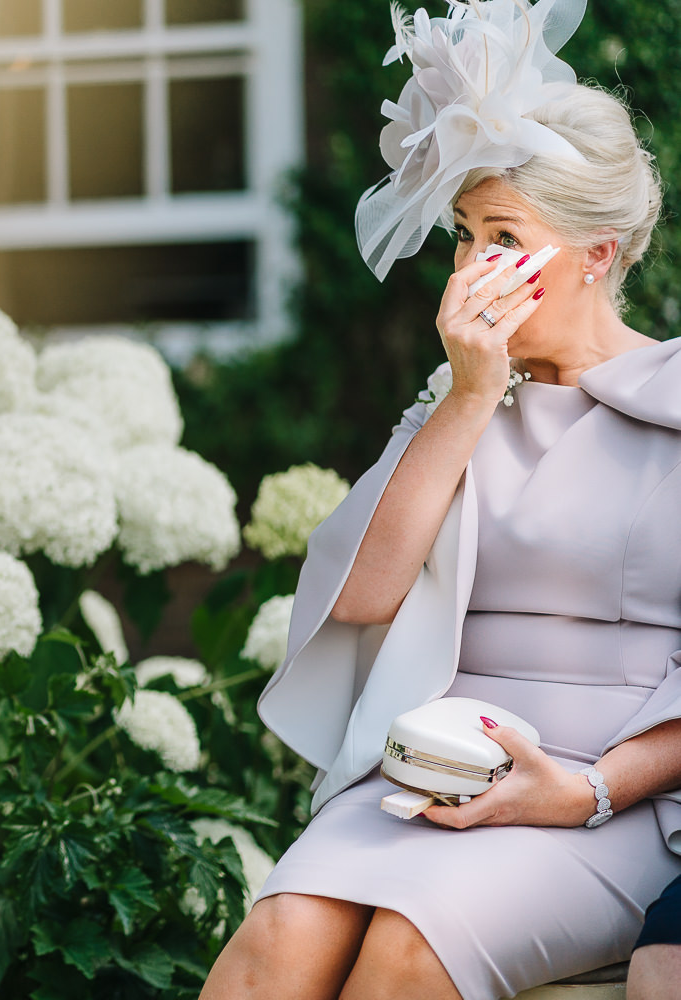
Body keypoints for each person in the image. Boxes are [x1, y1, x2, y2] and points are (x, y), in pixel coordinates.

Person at [198, 1, 681, 998]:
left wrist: (587, 791)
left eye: (504, 236)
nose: (470, 269)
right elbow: (362, 597)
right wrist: (466, 400)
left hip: (613, 796)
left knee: (407, 955)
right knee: (278, 940)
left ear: (596, 253)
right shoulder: (461, 396)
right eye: (464, 236)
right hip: (432, 773)